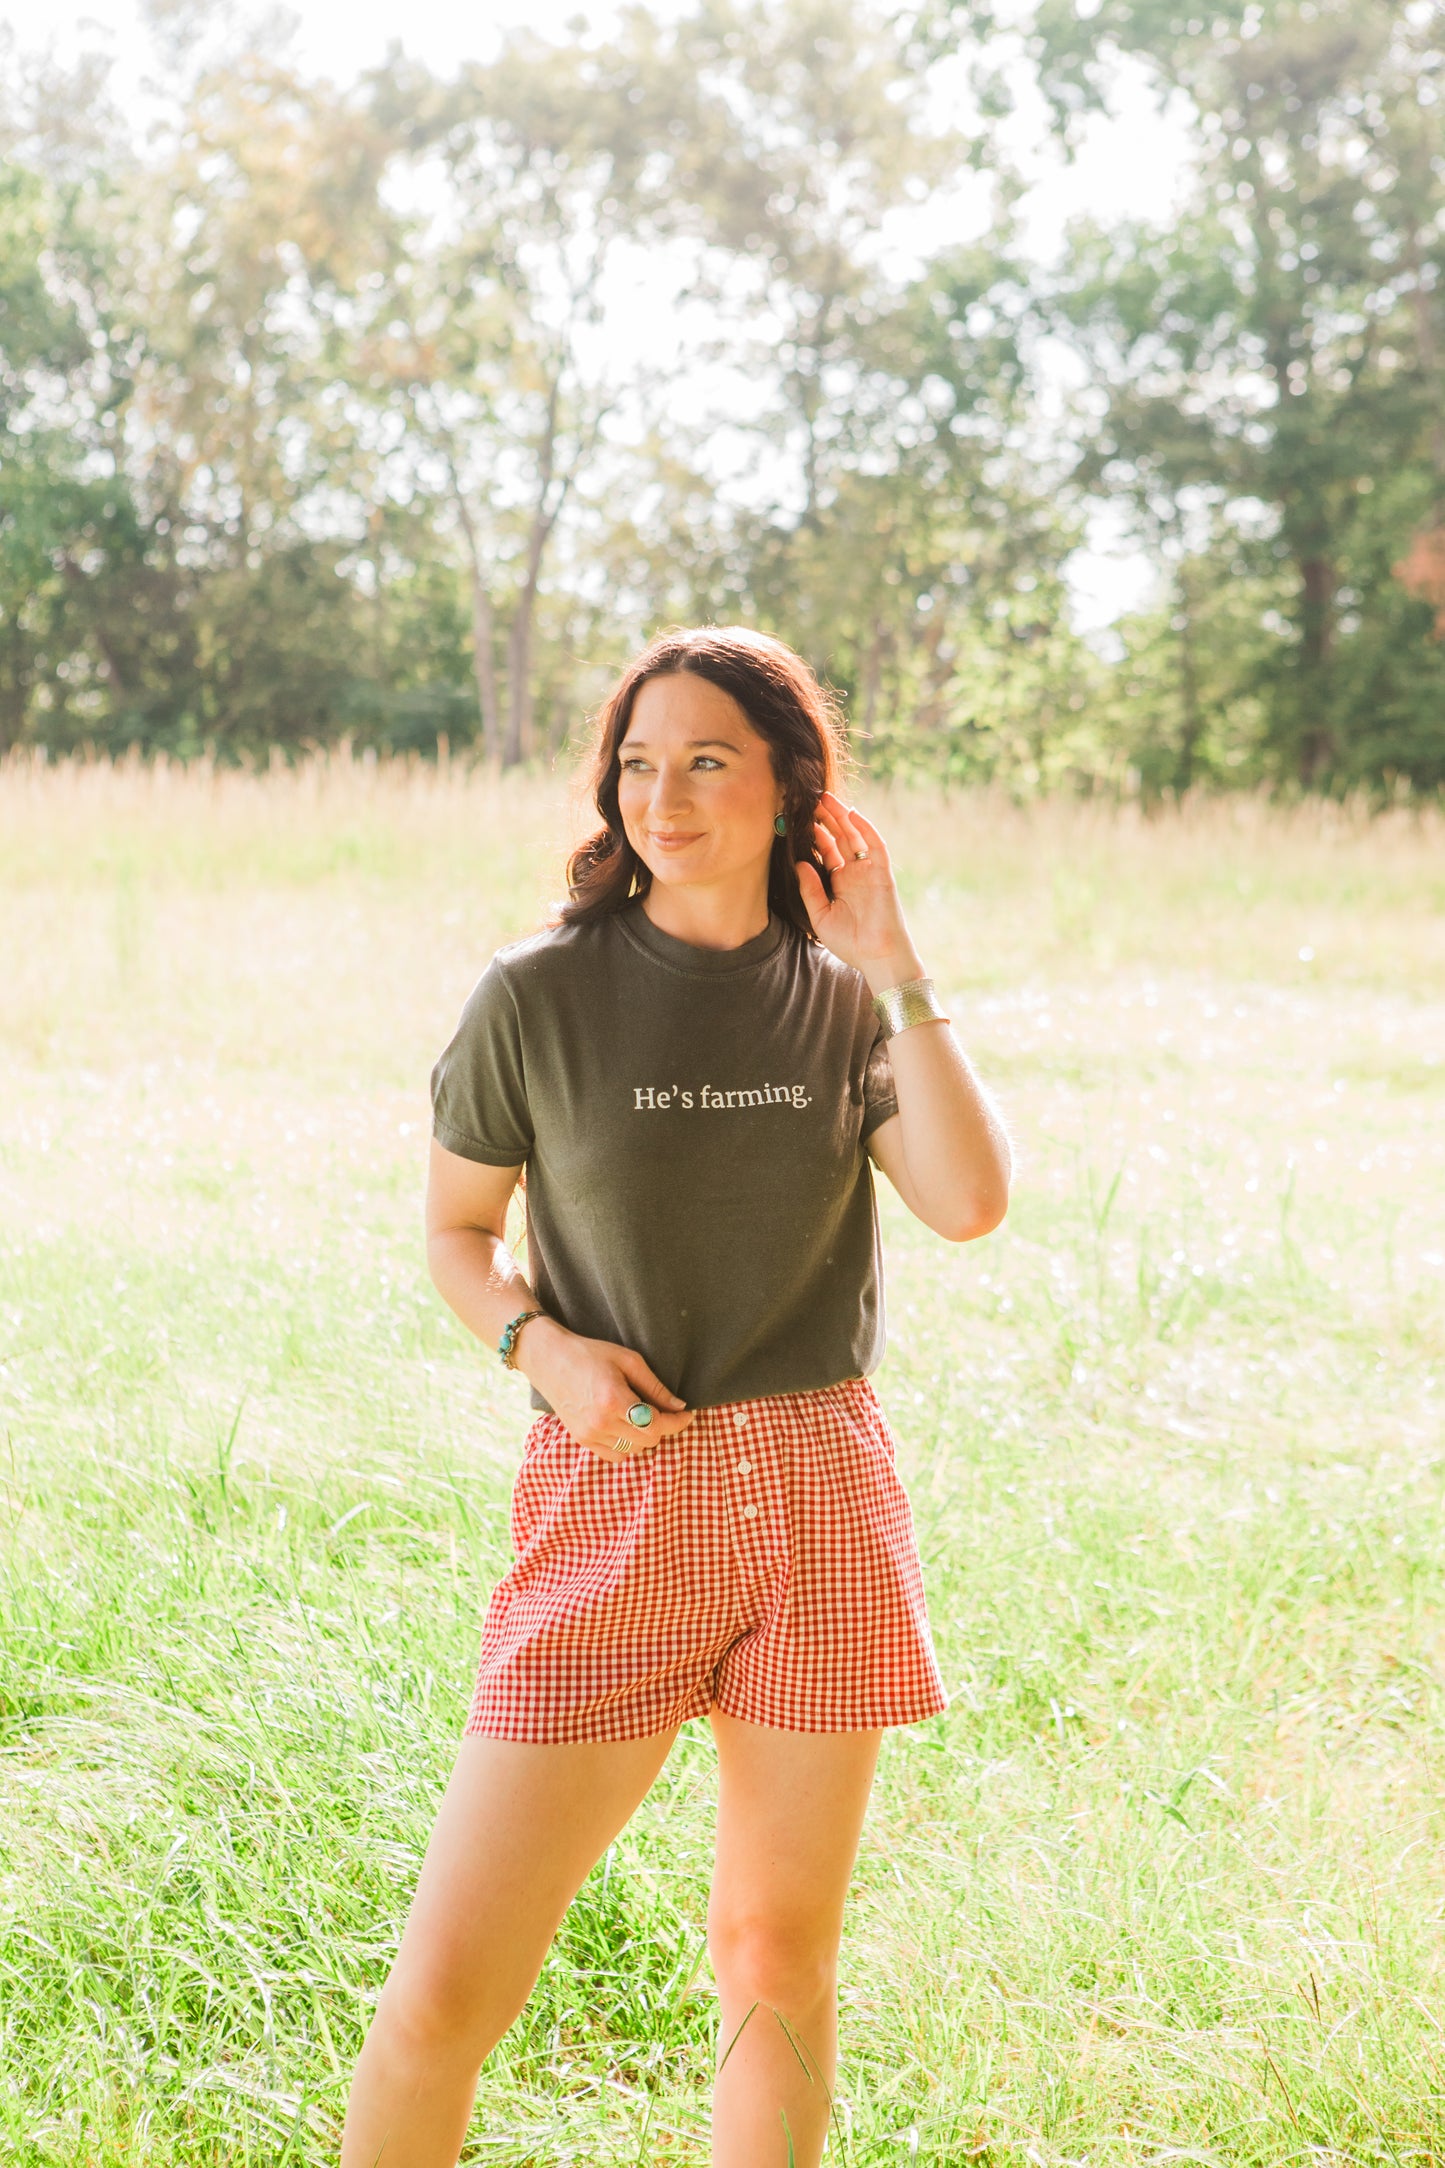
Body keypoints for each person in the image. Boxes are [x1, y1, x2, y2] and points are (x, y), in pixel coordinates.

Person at [340, 626, 1011, 2168]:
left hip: (819, 1501)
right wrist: (541, 1348)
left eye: (708, 761)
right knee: (447, 1991)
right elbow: (454, 1235)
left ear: (790, 788)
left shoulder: (841, 1002)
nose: (665, 797)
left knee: (775, 1957)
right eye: (639, 764)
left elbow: (967, 1202)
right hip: (615, 1496)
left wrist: (894, 966)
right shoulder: (536, 994)